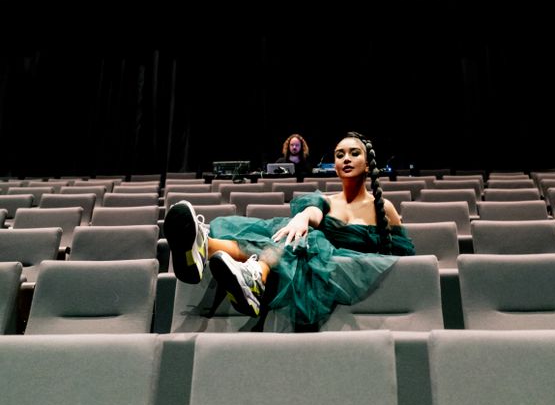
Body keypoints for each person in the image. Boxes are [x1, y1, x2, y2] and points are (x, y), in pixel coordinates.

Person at [164, 131, 415, 330]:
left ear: (368, 164)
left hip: (342, 268)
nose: (346, 158)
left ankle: (208, 247)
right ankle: (241, 268)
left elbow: (402, 253)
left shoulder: (384, 207)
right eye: (340, 155)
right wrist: (302, 217)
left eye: (354, 153)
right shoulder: (326, 201)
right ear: (335, 166)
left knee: (308, 238)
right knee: (293, 232)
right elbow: (314, 211)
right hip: (305, 256)